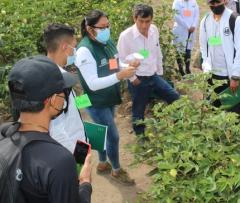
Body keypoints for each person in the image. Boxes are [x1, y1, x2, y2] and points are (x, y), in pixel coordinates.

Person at [7, 55, 92, 203]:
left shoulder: (4, 138)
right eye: (63, 92)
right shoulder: (60, 161)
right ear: (52, 100)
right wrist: (85, 184)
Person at [75, 9, 137, 185]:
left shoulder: (107, 41)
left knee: (102, 129)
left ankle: (102, 162)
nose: (106, 30)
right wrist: (120, 75)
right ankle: (116, 169)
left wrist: (127, 65)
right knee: (113, 136)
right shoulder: (84, 51)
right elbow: (93, 83)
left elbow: (114, 64)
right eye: (102, 27)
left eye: (107, 26)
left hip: (110, 95)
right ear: (89, 28)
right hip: (95, 100)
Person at [117, 4, 180, 136]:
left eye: (148, 21)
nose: (144, 25)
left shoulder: (154, 30)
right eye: (141, 21)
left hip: (154, 76)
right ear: (135, 18)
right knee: (138, 111)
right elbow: (119, 61)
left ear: (152, 19)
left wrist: (160, 73)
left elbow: (157, 52)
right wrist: (133, 79)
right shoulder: (126, 36)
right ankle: (141, 138)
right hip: (138, 79)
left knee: (175, 98)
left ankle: (178, 128)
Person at [43, 23, 86, 153]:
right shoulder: (56, 81)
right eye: (74, 47)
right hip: (69, 149)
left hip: (75, 141)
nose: (75, 51)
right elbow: (56, 131)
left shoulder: (49, 72)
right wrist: (79, 158)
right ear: (64, 47)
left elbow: (72, 105)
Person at [199, 0, 240, 114]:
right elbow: (203, 47)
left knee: (232, 115)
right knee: (213, 110)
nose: (215, 5)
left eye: (218, 1)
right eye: (212, 2)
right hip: (212, 75)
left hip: (229, 77)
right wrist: (206, 68)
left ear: (225, 1)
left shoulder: (236, 20)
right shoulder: (205, 20)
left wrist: (235, 76)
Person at [172, 0, 200, 76]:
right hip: (180, 29)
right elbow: (176, 16)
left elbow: (196, 14)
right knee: (179, 50)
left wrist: (194, 25)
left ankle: (187, 69)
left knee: (188, 49)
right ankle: (181, 70)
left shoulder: (194, 2)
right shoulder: (177, 2)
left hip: (192, 29)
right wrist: (187, 26)